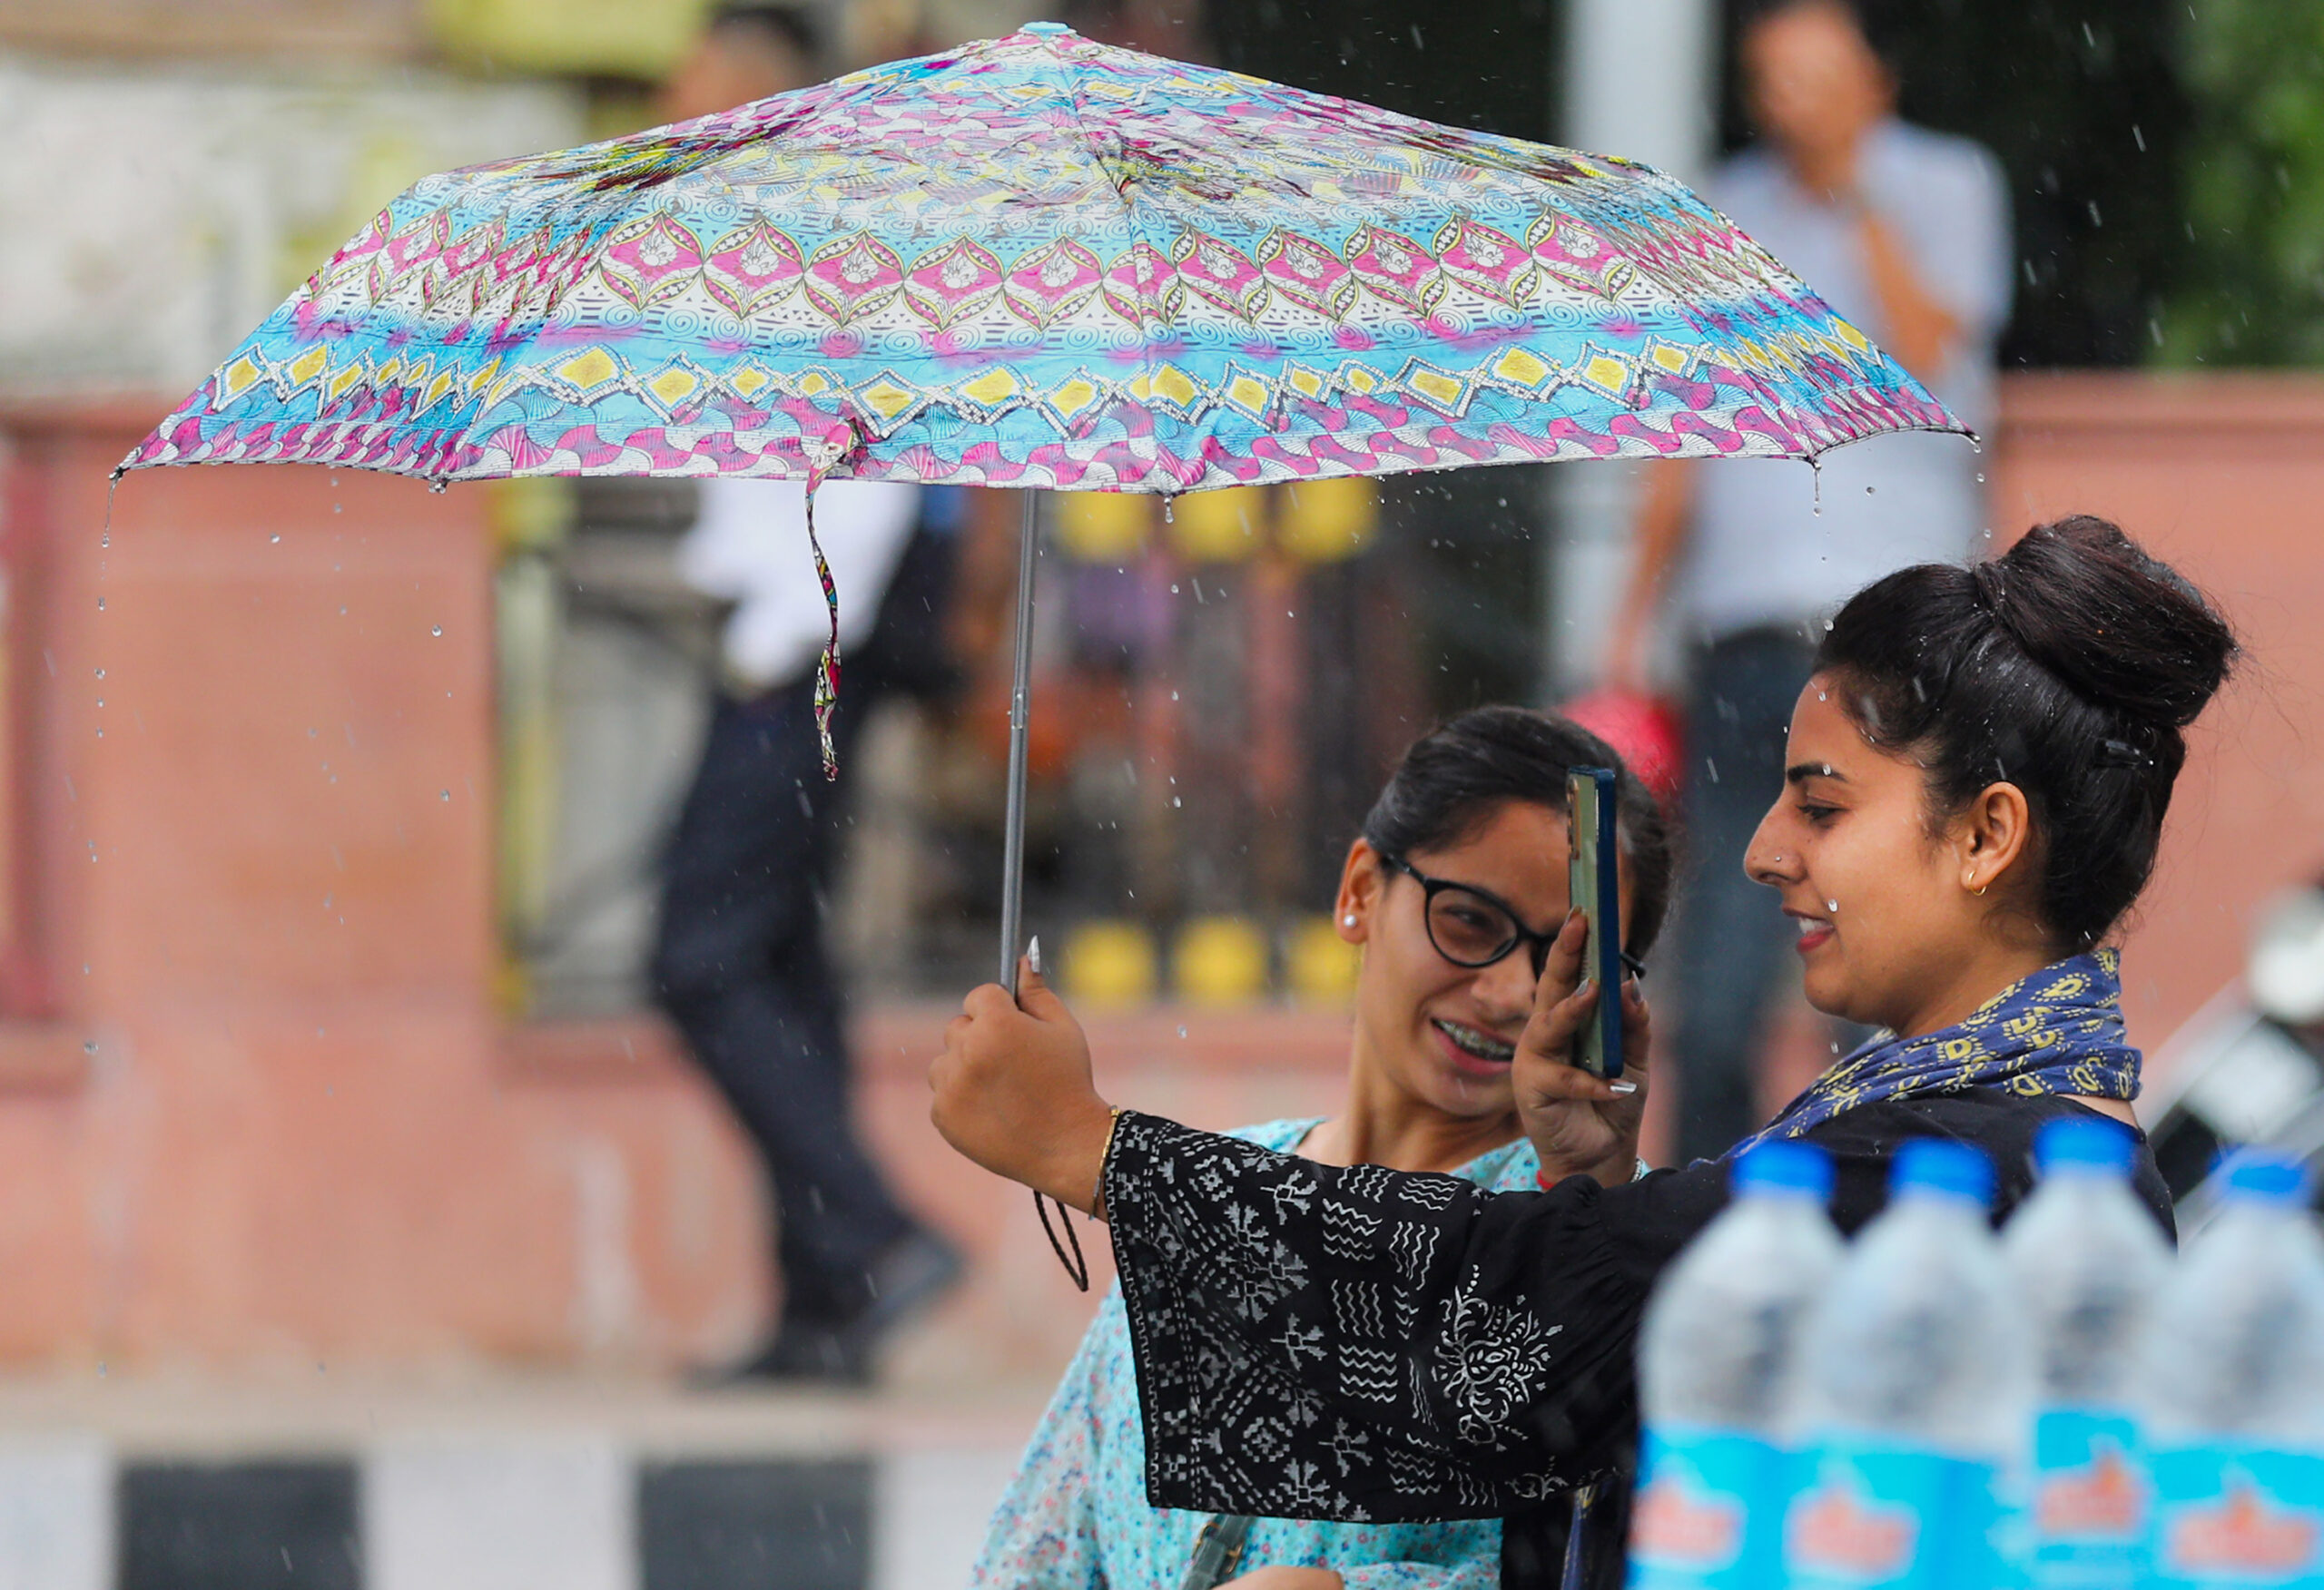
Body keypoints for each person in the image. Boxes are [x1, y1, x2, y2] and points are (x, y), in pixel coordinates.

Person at [931, 515, 2235, 1588]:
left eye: (1824, 805)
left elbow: (1510, 1341)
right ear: (1358, 893)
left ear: (1984, 836)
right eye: (1461, 921)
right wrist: (1596, 1197)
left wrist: (1092, 1149)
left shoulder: (1977, 1169)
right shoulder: (1974, 1139)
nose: (1770, 850)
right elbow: (1618, 1382)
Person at [970, 709, 1671, 1590]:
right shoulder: (1215, 1188)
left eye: (1570, 969)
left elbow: (1623, 1553)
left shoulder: (1605, 1249)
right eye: (1466, 921)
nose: (1509, 993)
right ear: (1359, 893)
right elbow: (1040, 1551)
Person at [1602, 0, 2013, 1163]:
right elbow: (1683, 441)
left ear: (1874, 82)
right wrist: (1628, 622)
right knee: (1728, 943)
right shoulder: (1721, 206)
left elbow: (1933, 351)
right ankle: (1706, 1205)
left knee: (1890, 934)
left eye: (1814, 76)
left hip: (1903, 632)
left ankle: (1873, 1184)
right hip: (1749, 631)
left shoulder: (1943, 183)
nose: (1788, 101)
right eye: (1769, 77)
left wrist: (1851, 195)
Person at [651, 4, 965, 1383]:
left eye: (695, 83)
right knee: (783, 971)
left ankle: (881, 1240)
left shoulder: (827, 248)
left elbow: (876, 475)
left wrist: (791, 639)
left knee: (700, 961)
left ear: (754, 92)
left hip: (799, 664)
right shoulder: (757, 250)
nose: (671, 104)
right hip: (790, 651)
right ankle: (822, 1312)